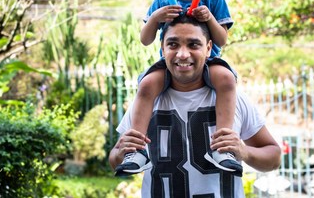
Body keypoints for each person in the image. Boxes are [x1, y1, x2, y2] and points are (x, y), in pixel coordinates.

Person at [108, 16, 280, 197]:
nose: (183, 54)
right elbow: (115, 159)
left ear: (208, 48)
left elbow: (274, 156)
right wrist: (120, 153)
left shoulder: (234, 98)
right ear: (162, 49)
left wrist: (245, 152)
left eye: (193, 45)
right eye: (173, 44)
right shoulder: (145, 101)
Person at [116, 0, 241, 176]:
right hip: (170, 63)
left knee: (226, 79)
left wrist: (209, 18)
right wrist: (156, 17)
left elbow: (222, 40)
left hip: (208, 61)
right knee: (147, 84)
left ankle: (223, 148)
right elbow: (145, 39)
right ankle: (137, 149)